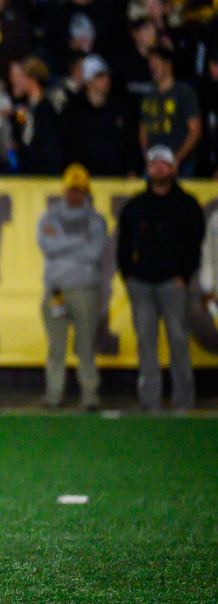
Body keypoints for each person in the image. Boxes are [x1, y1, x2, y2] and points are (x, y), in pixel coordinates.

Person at [116, 146, 205, 411]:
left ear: (173, 168)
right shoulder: (135, 206)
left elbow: (194, 245)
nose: (158, 168)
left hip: (172, 284)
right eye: (154, 163)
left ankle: (183, 403)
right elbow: (123, 245)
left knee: (178, 340)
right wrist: (129, 276)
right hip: (141, 285)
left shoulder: (188, 204)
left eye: (163, 163)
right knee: (146, 343)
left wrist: (184, 276)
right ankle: (149, 403)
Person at [36, 164, 106, 409]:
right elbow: (47, 246)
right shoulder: (49, 216)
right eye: (71, 189)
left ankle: (89, 395)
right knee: (56, 346)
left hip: (84, 288)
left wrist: (62, 244)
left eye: (79, 190)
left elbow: (95, 252)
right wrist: (78, 242)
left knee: (86, 346)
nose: (74, 194)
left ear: (86, 191)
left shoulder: (96, 220)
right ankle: (53, 395)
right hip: (56, 289)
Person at [137, 46, 201, 171]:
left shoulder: (184, 93)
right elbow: (143, 130)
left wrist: (177, 158)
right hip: (154, 165)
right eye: (150, 61)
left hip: (181, 166)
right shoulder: (147, 96)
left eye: (156, 61)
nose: (152, 66)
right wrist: (147, 159)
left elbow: (195, 130)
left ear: (168, 65)